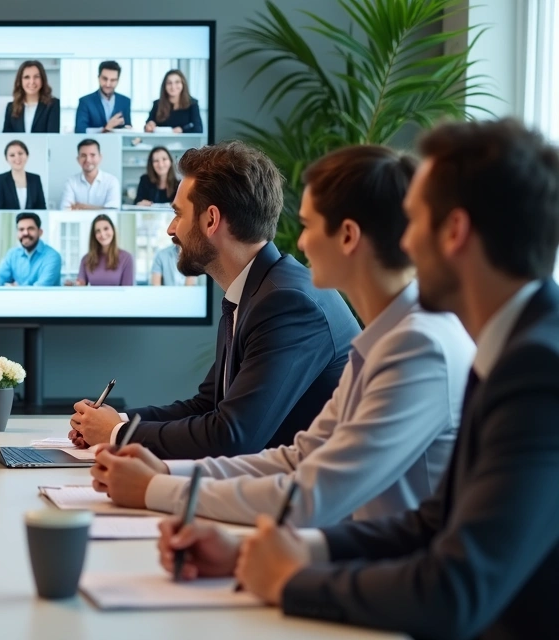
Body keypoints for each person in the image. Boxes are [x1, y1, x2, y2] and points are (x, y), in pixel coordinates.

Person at [159, 119, 559, 640]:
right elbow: (431, 524)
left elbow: (457, 589)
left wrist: (294, 580)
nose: (403, 241)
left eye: (413, 221)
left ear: (455, 231)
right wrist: (272, 553)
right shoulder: (512, 346)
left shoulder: (534, 369)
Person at [91, 146, 473, 529]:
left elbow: (316, 493)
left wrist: (156, 488)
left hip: (392, 569)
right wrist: (166, 475)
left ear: (348, 236)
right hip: (356, 550)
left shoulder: (417, 347)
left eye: (308, 226)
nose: (300, 244)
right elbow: (299, 458)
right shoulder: (385, 340)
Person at [69, 141, 360, 458]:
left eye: (178, 214)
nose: (170, 228)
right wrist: (111, 422)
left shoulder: (286, 302)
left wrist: (118, 433)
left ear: (211, 220)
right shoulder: (254, 291)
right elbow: (207, 406)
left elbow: (233, 436)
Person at [0, 212, 62, 287]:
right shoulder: (12, 254)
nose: (25, 233)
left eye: (30, 228)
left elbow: (40, 289)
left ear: (40, 232)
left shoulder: (52, 257)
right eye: (21, 229)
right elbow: (0, 277)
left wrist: (16, 288)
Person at [69, 214, 134, 286]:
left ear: (113, 230)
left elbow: (128, 291)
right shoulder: (86, 259)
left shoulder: (126, 258)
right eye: (98, 231)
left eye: (106, 229)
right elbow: (80, 284)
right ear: (94, 235)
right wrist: (73, 284)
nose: (102, 234)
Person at [60, 139, 121, 210]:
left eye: (92, 155)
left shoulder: (111, 181)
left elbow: (113, 210)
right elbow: (65, 210)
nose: (88, 160)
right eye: (83, 155)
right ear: (78, 159)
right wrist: (101, 208)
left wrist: (85, 207)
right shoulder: (71, 182)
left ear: (100, 157)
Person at [2, 60, 60, 133]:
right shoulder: (11, 107)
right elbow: (7, 137)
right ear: (20, 81)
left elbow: (52, 137)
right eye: (27, 77)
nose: (32, 82)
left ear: (42, 79)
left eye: (36, 77)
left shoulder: (53, 105)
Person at [74, 60, 131, 134]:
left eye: (113, 80)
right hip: (93, 144)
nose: (108, 84)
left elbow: (127, 127)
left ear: (118, 81)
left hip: (116, 144)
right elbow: (80, 130)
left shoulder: (125, 101)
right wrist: (106, 128)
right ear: (99, 78)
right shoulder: (85, 101)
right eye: (105, 79)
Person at [142, 69, 203, 134]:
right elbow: (147, 126)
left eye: (177, 82)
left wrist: (182, 130)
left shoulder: (192, 104)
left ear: (183, 84)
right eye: (169, 83)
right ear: (164, 86)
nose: (173, 86)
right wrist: (149, 126)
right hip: (161, 143)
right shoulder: (157, 104)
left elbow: (198, 129)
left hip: (185, 142)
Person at [0, 140, 47, 209]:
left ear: (27, 156)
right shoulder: (0, 180)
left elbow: (41, 207)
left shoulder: (36, 179)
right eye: (12, 155)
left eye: (20, 153)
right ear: (6, 159)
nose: (17, 158)